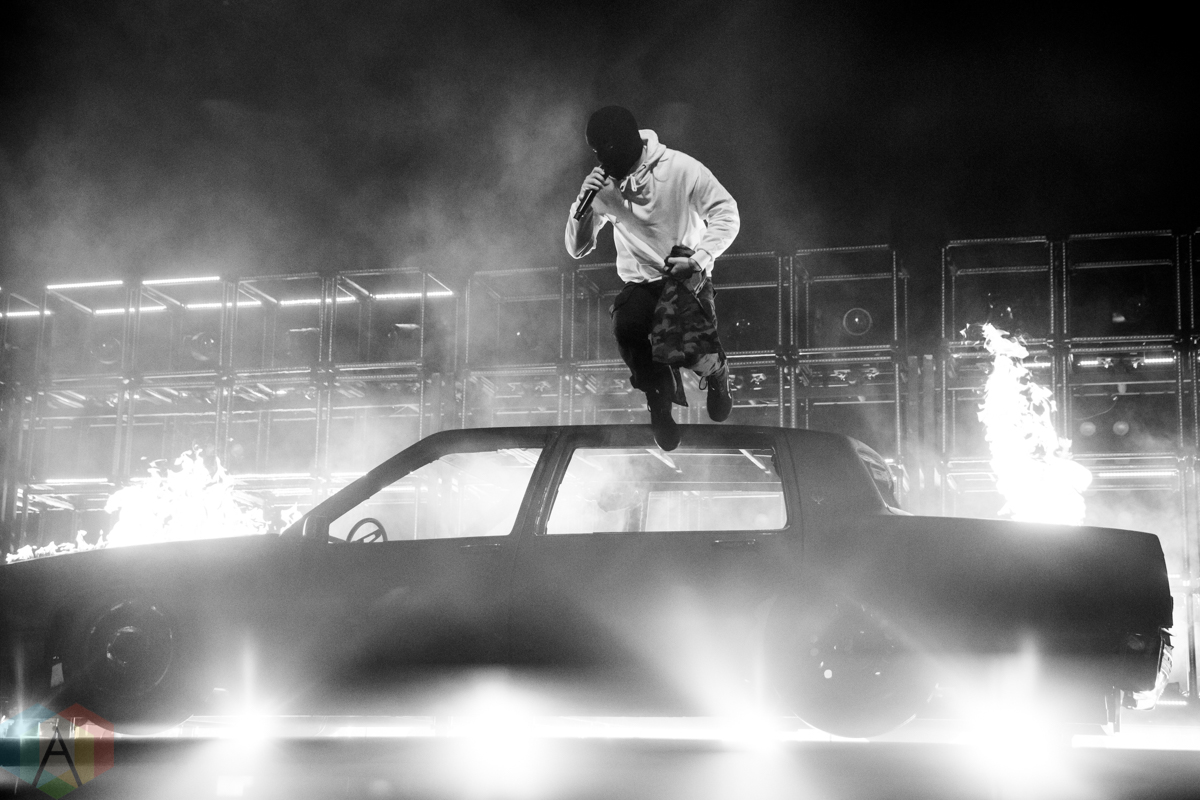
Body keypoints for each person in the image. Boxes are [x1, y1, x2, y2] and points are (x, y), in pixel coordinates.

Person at [565, 106, 740, 450]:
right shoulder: (603, 185)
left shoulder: (680, 168)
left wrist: (699, 260)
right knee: (627, 326)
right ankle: (659, 404)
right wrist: (582, 207)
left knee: (691, 351)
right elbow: (576, 248)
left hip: (686, 277)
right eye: (595, 150)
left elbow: (727, 214)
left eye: (607, 148)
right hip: (641, 282)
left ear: (628, 141)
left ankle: (717, 374)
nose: (601, 158)